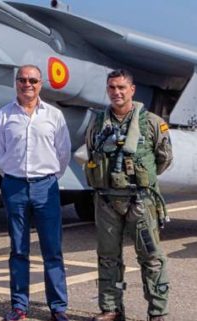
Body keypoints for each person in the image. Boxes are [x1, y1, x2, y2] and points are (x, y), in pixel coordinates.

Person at [84, 69, 172, 321]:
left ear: (132, 90)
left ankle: (157, 313)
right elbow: (92, 151)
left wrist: (141, 180)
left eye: (122, 87)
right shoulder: (98, 122)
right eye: (112, 87)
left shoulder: (152, 122)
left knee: (151, 257)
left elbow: (163, 159)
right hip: (107, 200)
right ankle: (111, 308)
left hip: (140, 201)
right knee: (108, 257)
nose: (117, 92)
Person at [0, 65, 71, 321]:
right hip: (14, 186)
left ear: (41, 84)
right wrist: (14, 176)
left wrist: (48, 177)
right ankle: (19, 307)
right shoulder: (3, 115)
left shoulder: (54, 116)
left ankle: (58, 308)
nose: (28, 84)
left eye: (33, 80)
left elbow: (63, 153)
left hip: (46, 186)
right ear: (16, 83)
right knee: (18, 249)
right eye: (23, 80)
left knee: (52, 249)